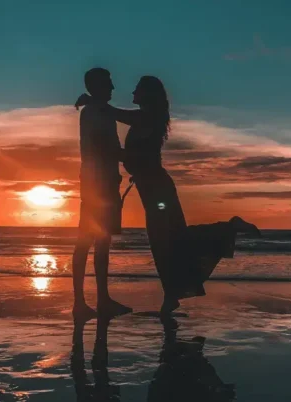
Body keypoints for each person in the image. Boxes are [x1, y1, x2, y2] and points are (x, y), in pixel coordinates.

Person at [75, 76, 261, 315]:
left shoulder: (145, 117)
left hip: (157, 189)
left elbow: (115, 116)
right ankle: (171, 296)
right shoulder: (147, 117)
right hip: (152, 188)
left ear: (147, 94)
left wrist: (93, 106)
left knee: (171, 239)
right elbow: (121, 127)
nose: (132, 91)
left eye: (137, 89)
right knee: (166, 242)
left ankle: (229, 227)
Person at [72, 67, 132, 321]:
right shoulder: (96, 112)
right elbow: (106, 147)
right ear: (97, 86)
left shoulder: (97, 110)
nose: (113, 88)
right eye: (108, 83)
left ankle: (98, 299)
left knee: (99, 241)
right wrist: (137, 159)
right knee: (89, 240)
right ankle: (84, 302)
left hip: (100, 183)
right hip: (100, 186)